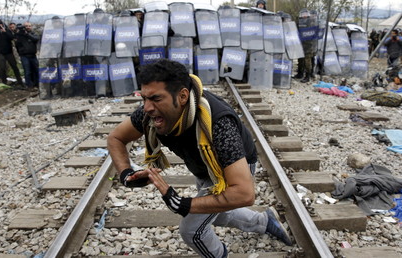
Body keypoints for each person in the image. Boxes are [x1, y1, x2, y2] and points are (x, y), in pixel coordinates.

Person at [107, 59, 292, 258]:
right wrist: (127, 173)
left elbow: (244, 194)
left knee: (192, 231)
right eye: (144, 98)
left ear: (183, 96)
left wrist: (184, 204)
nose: (147, 107)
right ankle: (265, 222)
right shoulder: (150, 116)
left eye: (156, 99)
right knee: (218, 213)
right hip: (204, 166)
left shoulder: (219, 125)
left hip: (231, 167)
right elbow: (116, 138)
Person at [0, 18, 23, 86]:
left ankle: (20, 81)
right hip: (0, 52)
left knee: (14, 66)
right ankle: (4, 81)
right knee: (2, 67)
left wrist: (5, 32)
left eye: (0, 23)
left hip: (9, 51)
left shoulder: (7, 30)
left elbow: (12, 37)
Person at [15, 22, 39, 89]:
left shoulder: (32, 33)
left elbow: (36, 39)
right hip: (24, 55)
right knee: (27, 71)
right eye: (26, 26)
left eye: (29, 26)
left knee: (36, 70)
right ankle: (29, 85)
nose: (28, 27)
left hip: (33, 55)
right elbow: (17, 44)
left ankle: (37, 83)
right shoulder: (19, 35)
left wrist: (27, 34)